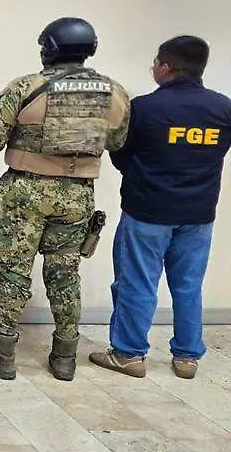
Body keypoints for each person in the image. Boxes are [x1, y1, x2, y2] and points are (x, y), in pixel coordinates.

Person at [0, 17, 130, 381]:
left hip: (23, 194)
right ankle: (64, 357)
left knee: (12, 271)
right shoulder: (114, 93)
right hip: (77, 196)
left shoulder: (25, 87)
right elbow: (118, 143)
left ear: (48, 49)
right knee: (65, 274)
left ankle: (3, 354)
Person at [89, 35, 229, 379]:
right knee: (188, 286)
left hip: (147, 212)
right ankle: (187, 357)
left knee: (136, 284)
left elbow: (121, 155)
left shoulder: (145, 108)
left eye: (155, 62)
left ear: (166, 67)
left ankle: (128, 354)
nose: (153, 67)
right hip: (198, 215)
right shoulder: (224, 108)